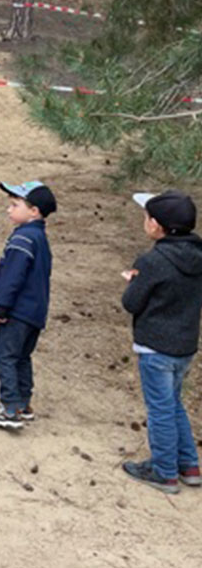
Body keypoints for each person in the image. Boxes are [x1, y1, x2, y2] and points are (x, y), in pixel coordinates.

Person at [120, 191, 202, 494]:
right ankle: (188, 465)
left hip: (155, 347)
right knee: (173, 404)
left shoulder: (152, 261)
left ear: (156, 225)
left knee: (160, 409)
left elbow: (132, 302)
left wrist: (133, 282)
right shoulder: (197, 257)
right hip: (185, 345)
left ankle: (164, 470)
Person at [0, 181, 57, 430]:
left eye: (15, 205)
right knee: (22, 356)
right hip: (36, 312)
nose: (9, 210)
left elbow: (12, 277)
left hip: (18, 311)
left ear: (34, 211)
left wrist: (1, 308)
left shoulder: (23, 239)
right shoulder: (39, 237)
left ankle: (10, 408)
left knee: (5, 356)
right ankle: (24, 403)